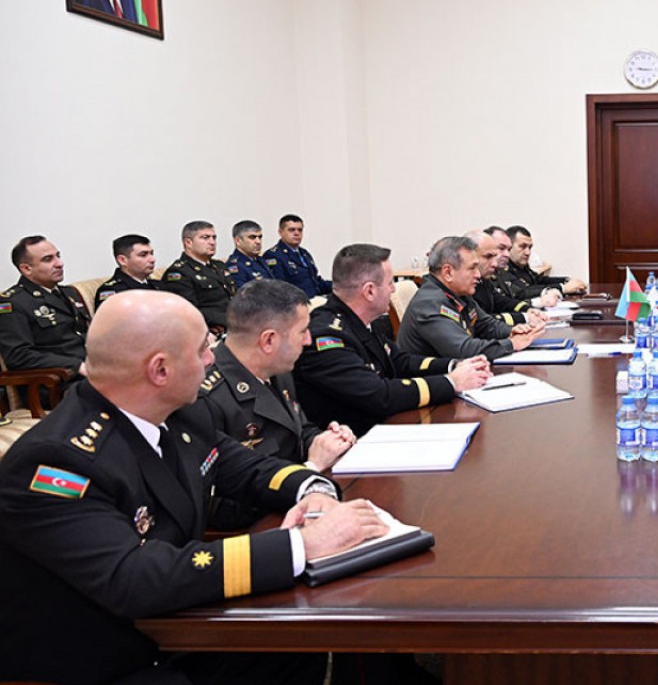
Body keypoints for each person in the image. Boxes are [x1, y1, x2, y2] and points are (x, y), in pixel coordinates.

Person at [0, 290, 388, 685]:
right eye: (203, 348)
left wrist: (313, 489)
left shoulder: (182, 413)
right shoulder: (57, 462)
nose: (212, 358)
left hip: (174, 624)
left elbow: (251, 469)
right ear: (160, 370)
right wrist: (302, 544)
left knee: (301, 644)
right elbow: (132, 577)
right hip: (103, 656)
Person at [192, 280, 356, 530]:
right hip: (262, 531)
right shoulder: (205, 398)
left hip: (304, 502)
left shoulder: (277, 369)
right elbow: (216, 508)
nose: (308, 340)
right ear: (268, 341)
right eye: (302, 331)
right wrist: (310, 469)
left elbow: (297, 431)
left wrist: (326, 441)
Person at [293, 243, 490, 436]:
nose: (393, 290)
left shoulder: (359, 321)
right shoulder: (326, 337)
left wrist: (455, 365)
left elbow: (401, 361)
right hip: (355, 443)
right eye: (389, 283)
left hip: (384, 429)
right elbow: (379, 395)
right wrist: (451, 383)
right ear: (369, 291)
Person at [400, 236, 545, 361]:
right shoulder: (430, 302)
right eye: (472, 268)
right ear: (448, 273)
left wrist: (512, 331)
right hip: (434, 380)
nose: (478, 275)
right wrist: (512, 344)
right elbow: (464, 350)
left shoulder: (458, 293)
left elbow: (487, 325)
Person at [0, 235, 91, 374]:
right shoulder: (13, 302)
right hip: (60, 378)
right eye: (48, 259)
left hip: (93, 366)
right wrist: (77, 366)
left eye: (58, 256)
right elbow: (19, 356)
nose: (59, 263)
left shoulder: (69, 293)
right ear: (26, 269)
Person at [161, 221, 236, 336]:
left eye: (214, 238)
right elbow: (189, 312)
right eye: (205, 238)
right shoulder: (179, 273)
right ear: (188, 242)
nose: (212, 242)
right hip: (212, 330)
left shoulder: (219, 266)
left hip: (236, 323)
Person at [470, 229, 546, 328]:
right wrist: (524, 317)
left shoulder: (484, 279)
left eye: (509, 249)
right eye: (488, 256)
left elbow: (500, 300)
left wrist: (527, 309)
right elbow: (479, 322)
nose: (494, 263)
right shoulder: (466, 284)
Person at [494, 224, 586, 302]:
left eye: (530, 247)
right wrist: (563, 288)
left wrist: (567, 280)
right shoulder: (502, 267)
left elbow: (539, 280)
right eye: (522, 246)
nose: (528, 252)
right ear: (509, 246)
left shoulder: (520, 265)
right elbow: (522, 292)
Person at [264, 214, 331, 298]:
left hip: (315, 299)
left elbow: (316, 282)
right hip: (297, 303)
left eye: (300, 230)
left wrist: (339, 286)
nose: (297, 233)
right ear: (280, 232)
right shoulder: (274, 256)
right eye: (291, 230)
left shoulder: (304, 253)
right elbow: (280, 289)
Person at [94, 234, 159, 309]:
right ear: (122, 260)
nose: (152, 260)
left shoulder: (158, 285)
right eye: (143, 255)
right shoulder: (113, 292)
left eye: (151, 253)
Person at [226, 219, 282, 289]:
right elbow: (242, 293)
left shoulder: (260, 260)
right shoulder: (235, 266)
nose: (258, 242)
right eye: (252, 237)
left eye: (260, 237)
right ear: (238, 241)